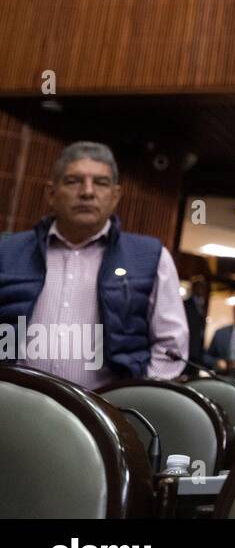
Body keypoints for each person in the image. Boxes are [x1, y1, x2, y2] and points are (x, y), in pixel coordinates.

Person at [0, 142, 188, 387]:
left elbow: (171, 345)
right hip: (13, 409)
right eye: (73, 181)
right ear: (51, 194)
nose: (87, 192)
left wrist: (136, 399)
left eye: (100, 182)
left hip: (107, 416)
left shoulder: (151, 257)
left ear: (115, 196)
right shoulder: (7, 251)